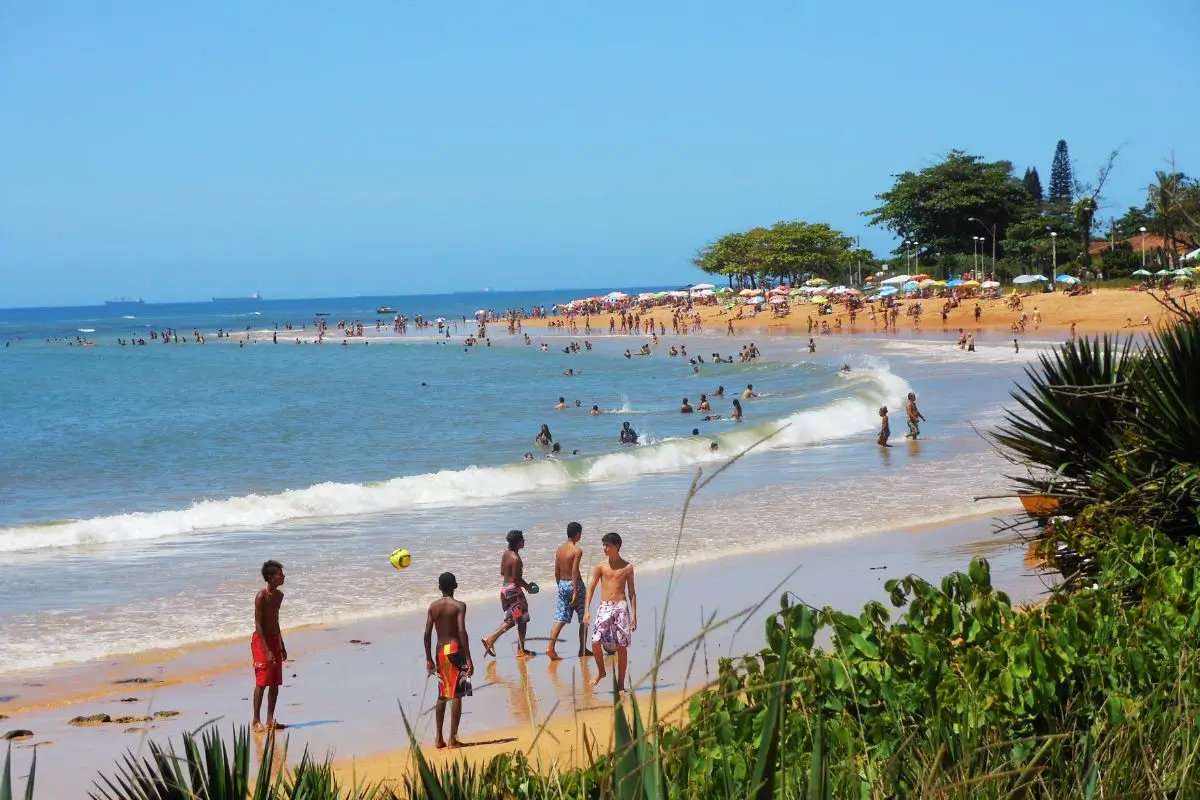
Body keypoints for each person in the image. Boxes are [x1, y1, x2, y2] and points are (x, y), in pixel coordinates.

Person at [424, 572, 473, 749]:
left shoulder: (433, 607)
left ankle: (438, 738)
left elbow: (427, 634)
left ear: (439, 587)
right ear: (455, 586)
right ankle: (452, 738)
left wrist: (429, 658)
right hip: (455, 649)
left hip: (440, 652)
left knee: (442, 694)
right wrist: (468, 657)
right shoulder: (459, 606)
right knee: (457, 694)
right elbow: (461, 631)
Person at [584, 532, 637, 690]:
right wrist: (586, 610)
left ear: (617, 546)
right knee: (595, 641)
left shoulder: (627, 567)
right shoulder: (601, 566)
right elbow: (591, 588)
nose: (604, 548)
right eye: (604, 545)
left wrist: (634, 615)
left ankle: (620, 684)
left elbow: (632, 592)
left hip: (621, 607)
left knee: (621, 646)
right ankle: (601, 672)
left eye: (607, 545)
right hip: (605, 606)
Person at [482, 530, 536, 659]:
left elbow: (502, 572)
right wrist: (528, 586)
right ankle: (491, 638)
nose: (524, 541)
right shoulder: (516, 559)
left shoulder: (506, 554)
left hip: (505, 589)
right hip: (514, 591)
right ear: (518, 542)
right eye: (522, 539)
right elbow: (517, 579)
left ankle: (520, 649)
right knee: (518, 619)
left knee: (520, 618)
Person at [251, 560, 287, 732]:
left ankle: (270, 719)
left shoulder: (279, 596)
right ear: (271, 577)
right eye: (280, 574)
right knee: (262, 682)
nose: (283, 576)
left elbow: (276, 621)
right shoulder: (261, 597)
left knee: (275, 682)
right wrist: (266, 650)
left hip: (274, 639)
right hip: (261, 641)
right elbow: (258, 625)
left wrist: (282, 644)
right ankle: (256, 720)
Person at [547, 522, 587, 660]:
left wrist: (560, 585)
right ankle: (582, 649)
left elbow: (556, 570)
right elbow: (575, 571)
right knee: (583, 618)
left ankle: (550, 648)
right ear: (577, 534)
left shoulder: (559, 549)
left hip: (562, 584)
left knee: (560, 618)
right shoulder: (577, 551)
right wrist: (575, 591)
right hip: (575, 585)